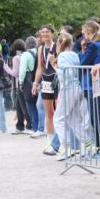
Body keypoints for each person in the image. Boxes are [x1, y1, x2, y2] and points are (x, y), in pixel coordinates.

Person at [53, 33, 91, 161]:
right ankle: (88, 144)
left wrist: (55, 68)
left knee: (58, 119)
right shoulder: (75, 54)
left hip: (68, 88)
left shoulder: (62, 56)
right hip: (77, 87)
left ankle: (66, 147)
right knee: (71, 119)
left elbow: (65, 74)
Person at [78, 20, 100, 156]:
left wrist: (83, 50)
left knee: (96, 116)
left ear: (89, 32)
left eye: (84, 33)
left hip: (91, 84)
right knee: (95, 116)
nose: (84, 36)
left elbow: (82, 62)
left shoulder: (93, 45)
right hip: (96, 82)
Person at [31, 25, 59, 154]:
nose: (45, 34)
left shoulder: (57, 46)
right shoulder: (40, 48)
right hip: (45, 81)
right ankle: (50, 140)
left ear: (52, 34)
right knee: (49, 112)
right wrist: (35, 83)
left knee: (59, 111)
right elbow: (40, 67)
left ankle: (59, 142)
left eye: (47, 32)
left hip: (56, 79)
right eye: (43, 33)